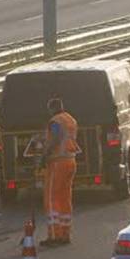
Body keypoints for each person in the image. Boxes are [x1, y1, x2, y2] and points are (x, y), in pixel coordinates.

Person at [40, 97, 80, 247]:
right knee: (65, 197)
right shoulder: (71, 120)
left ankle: (54, 235)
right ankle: (65, 233)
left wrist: (45, 155)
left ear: (51, 108)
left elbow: (56, 138)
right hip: (70, 161)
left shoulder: (55, 121)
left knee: (52, 198)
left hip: (57, 162)